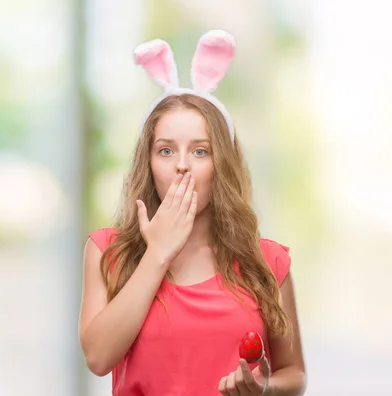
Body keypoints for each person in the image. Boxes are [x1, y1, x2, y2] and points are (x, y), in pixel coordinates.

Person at [78, 30, 307, 395]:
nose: (182, 165)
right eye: (166, 151)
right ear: (148, 163)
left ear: (222, 165)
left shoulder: (267, 261)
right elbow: (98, 358)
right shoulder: (107, 251)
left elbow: (294, 375)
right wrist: (157, 253)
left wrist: (262, 388)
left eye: (200, 151)